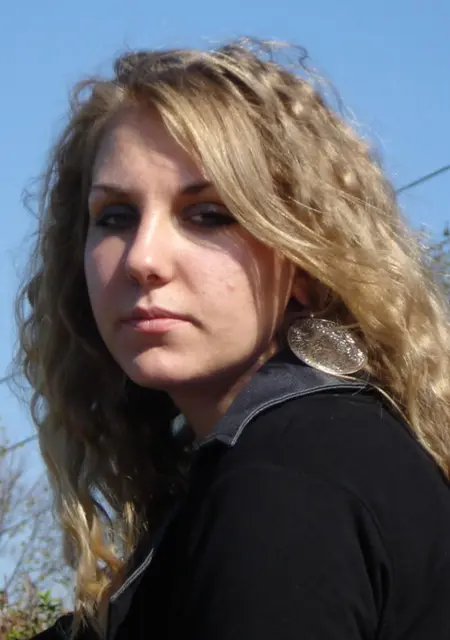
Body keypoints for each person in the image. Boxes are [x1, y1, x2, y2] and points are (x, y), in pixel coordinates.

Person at [16, 38, 450, 640]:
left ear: (305, 257)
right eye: (114, 217)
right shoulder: (293, 456)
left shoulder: (286, 484)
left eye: (209, 215)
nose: (142, 259)